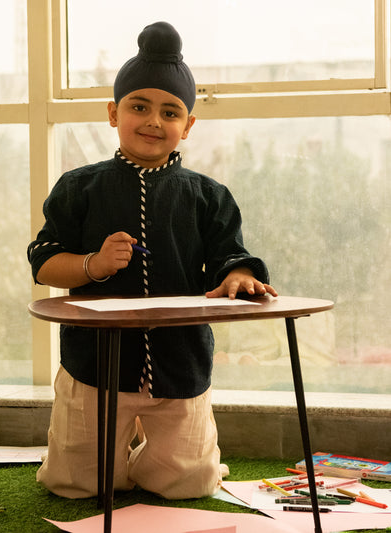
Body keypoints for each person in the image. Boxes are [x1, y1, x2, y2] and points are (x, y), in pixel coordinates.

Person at [27, 21, 277, 500]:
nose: (153, 122)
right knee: (76, 485)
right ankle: (101, 458)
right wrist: (92, 265)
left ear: (188, 125)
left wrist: (239, 276)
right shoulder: (79, 187)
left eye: (170, 112)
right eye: (138, 107)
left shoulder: (209, 195)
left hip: (180, 361)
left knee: (189, 485)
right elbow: (43, 262)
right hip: (94, 364)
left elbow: (232, 255)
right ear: (112, 112)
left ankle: (146, 451)